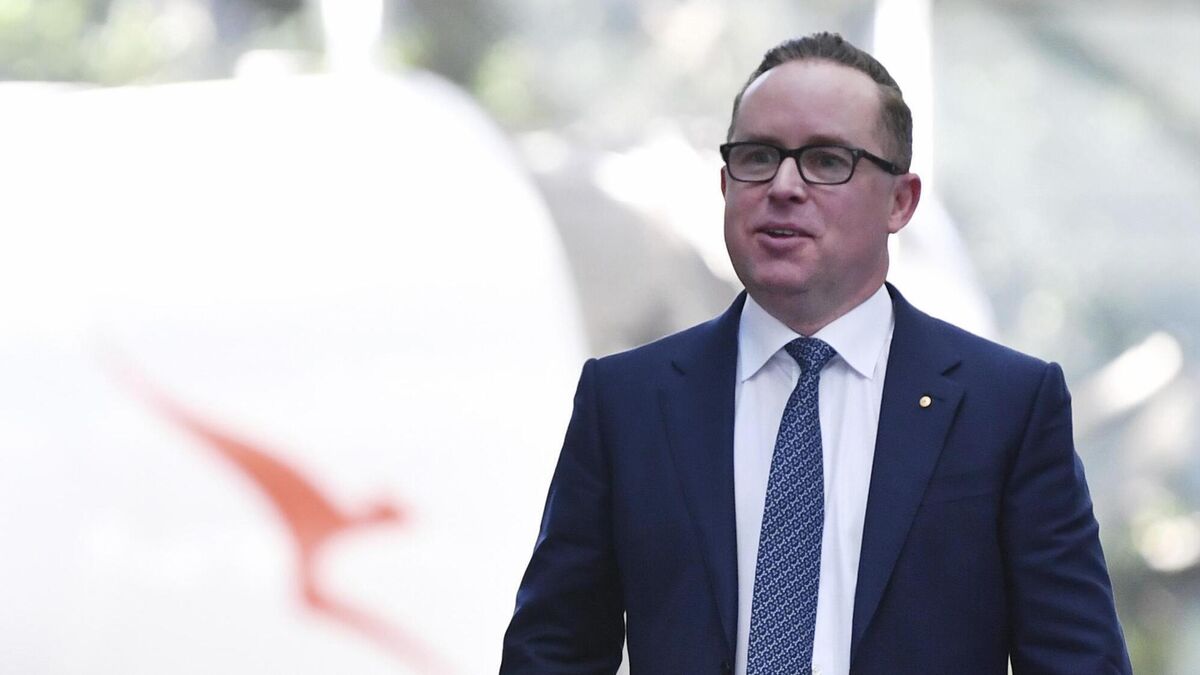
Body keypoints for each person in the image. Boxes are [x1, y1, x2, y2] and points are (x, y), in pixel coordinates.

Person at [500, 32, 1131, 675]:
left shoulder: (1005, 406)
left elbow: (1078, 661)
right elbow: (552, 651)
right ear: (724, 184)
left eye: (826, 161)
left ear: (901, 201)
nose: (783, 185)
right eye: (757, 156)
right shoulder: (629, 400)